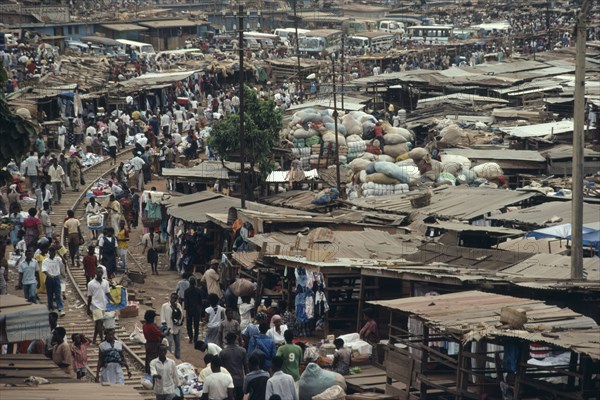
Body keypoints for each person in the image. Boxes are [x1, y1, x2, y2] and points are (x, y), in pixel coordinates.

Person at [87, 268, 114, 344]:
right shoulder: (91, 284)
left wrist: (114, 301)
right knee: (100, 323)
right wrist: (88, 308)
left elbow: (108, 293)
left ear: (102, 273)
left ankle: (94, 339)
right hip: (95, 305)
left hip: (103, 305)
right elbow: (89, 297)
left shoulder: (105, 282)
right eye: (98, 272)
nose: (99, 273)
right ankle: (102, 340)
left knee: (97, 324)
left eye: (101, 272)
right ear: (95, 272)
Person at [220, 332, 248, 400]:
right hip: (240, 380)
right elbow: (246, 366)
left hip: (228, 380)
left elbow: (221, 368)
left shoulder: (223, 352)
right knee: (239, 397)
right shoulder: (242, 351)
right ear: (235, 339)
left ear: (226, 340)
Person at [161, 292, 184, 360]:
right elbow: (162, 317)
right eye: (173, 298)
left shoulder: (178, 305)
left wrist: (179, 322)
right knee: (169, 344)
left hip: (177, 328)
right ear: (170, 298)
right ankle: (169, 357)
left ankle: (177, 357)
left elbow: (182, 315)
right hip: (169, 328)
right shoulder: (165, 306)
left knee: (178, 344)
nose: (174, 299)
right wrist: (164, 327)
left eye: (175, 298)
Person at [42, 247, 65, 316]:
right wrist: (49, 275)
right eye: (52, 252)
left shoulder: (57, 259)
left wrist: (60, 255)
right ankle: (51, 308)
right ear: (49, 252)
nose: (53, 254)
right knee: (50, 295)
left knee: (58, 294)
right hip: (49, 279)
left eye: (54, 252)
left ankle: (60, 309)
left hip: (56, 278)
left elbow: (64, 262)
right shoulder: (45, 260)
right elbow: (44, 270)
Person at [143, 309, 164, 374]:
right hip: (154, 345)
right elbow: (161, 334)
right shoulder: (151, 327)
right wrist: (166, 332)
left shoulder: (144, 325)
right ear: (151, 318)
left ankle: (148, 372)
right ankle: (153, 373)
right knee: (154, 360)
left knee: (148, 359)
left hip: (148, 344)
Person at [184, 276, 203, 344]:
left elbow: (186, 302)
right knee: (196, 325)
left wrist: (186, 312)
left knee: (189, 325)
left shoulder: (186, 291)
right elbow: (200, 301)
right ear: (195, 283)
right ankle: (195, 339)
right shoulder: (198, 290)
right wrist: (200, 310)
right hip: (197, 310)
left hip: (189, 310)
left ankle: (190, 338)